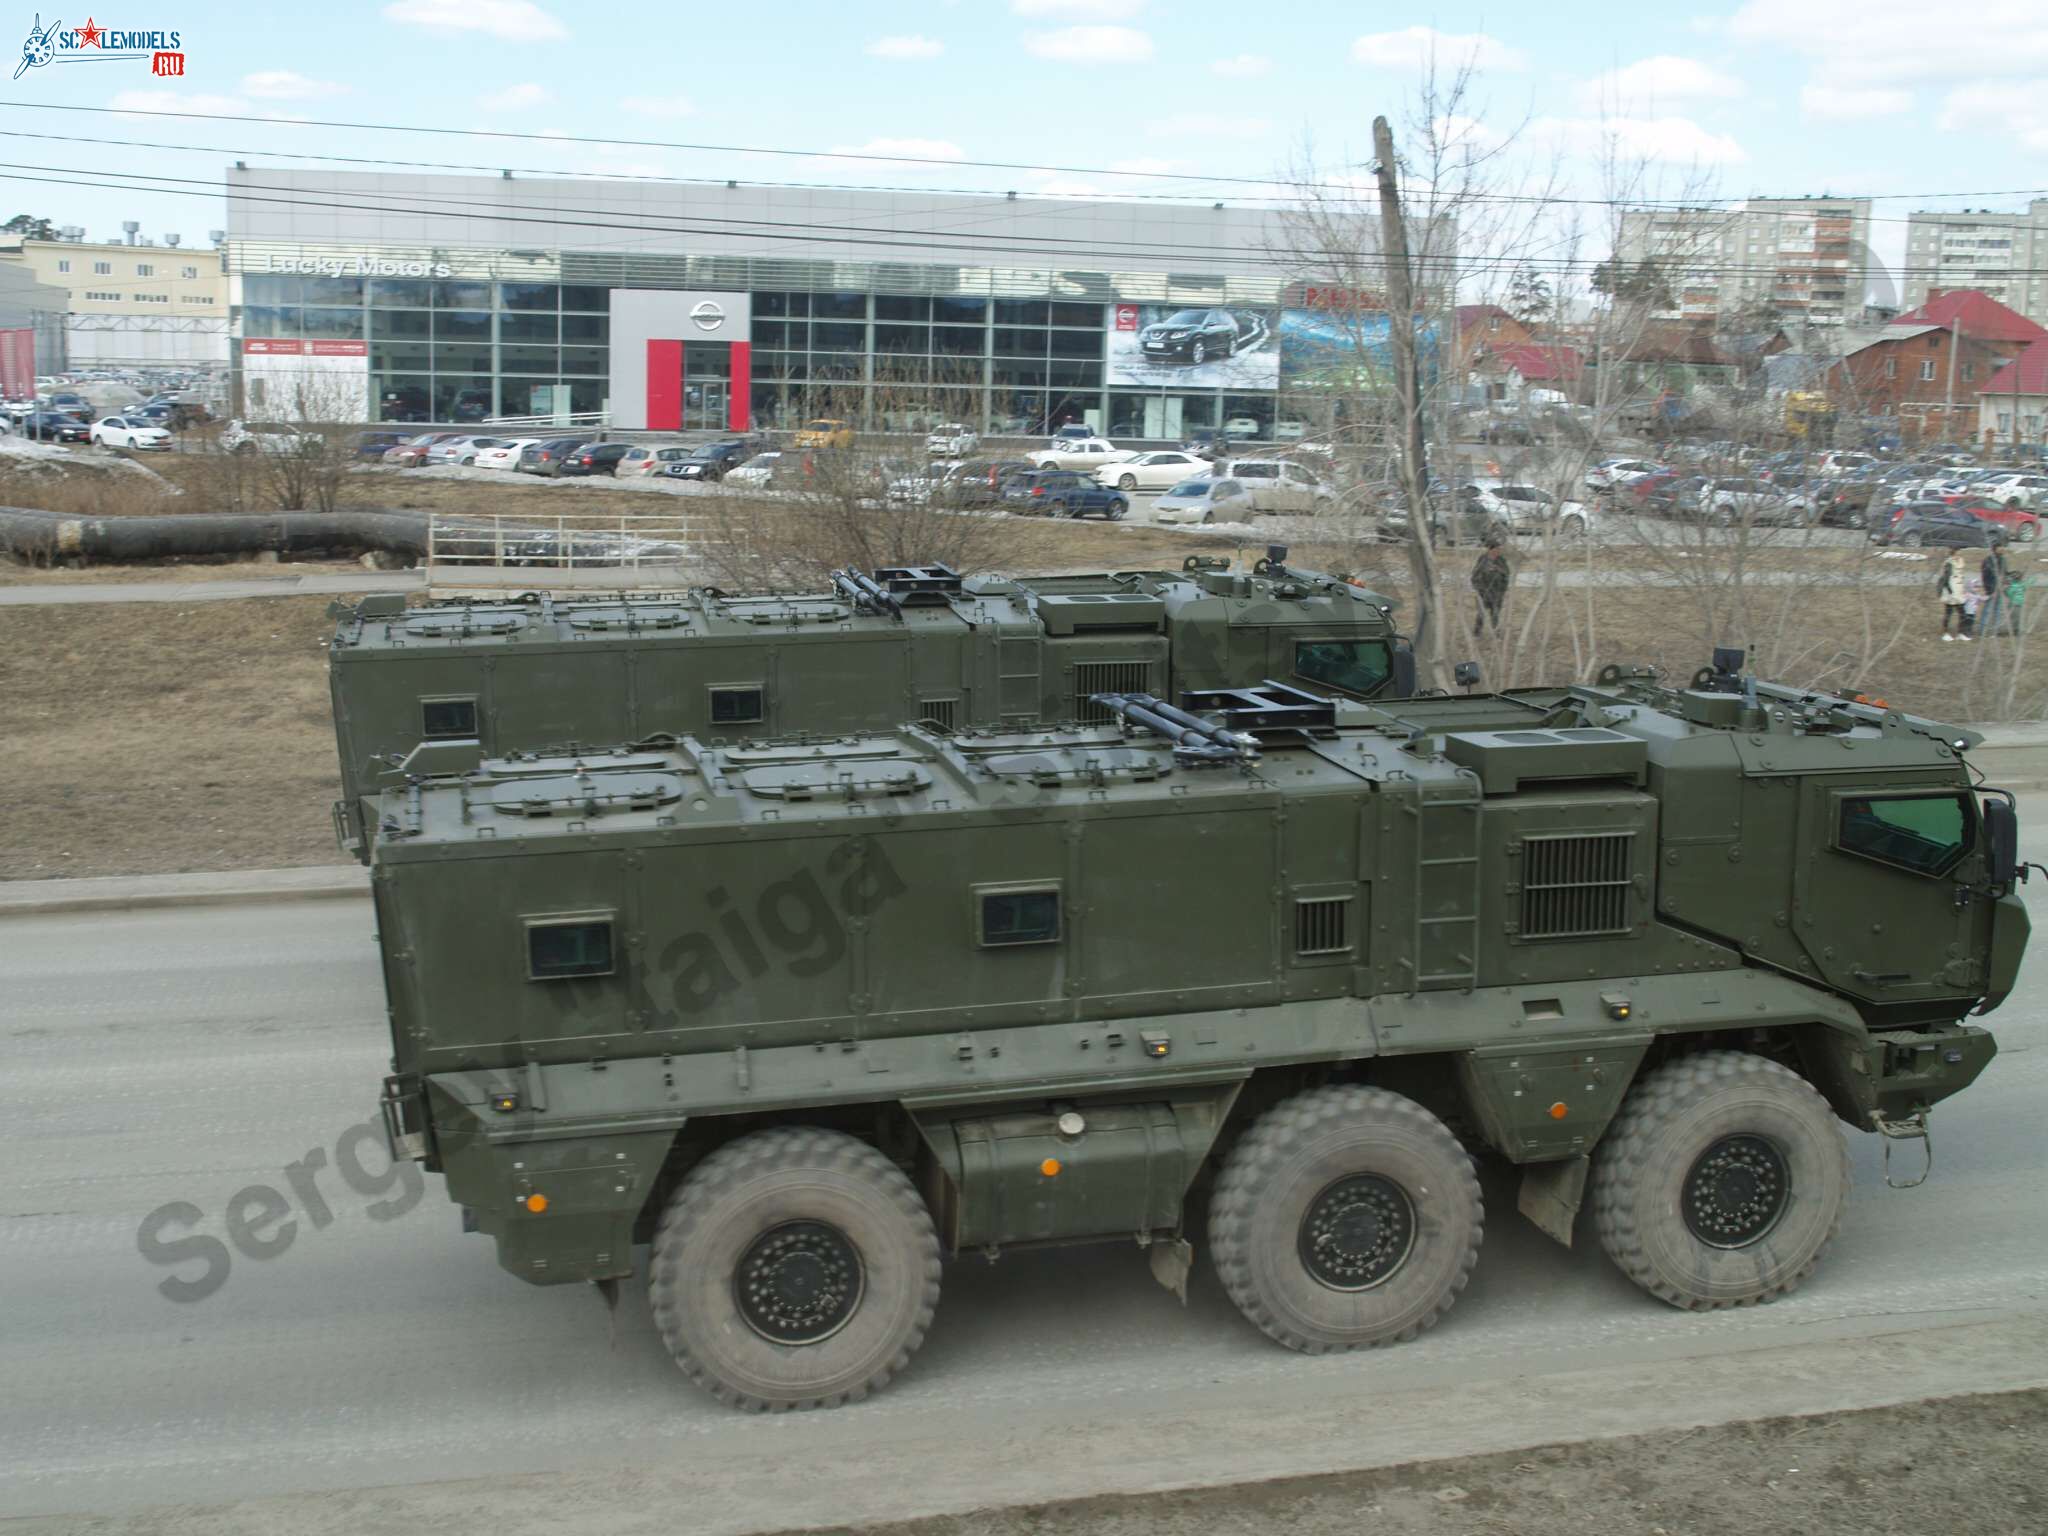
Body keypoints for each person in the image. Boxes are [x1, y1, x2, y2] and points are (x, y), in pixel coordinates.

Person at [1471, 535, 1510, 634]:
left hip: (1497, 593)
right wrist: (1478, 589)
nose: (1498, 551)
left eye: (1499, 549)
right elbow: (1474, 576)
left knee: (1495, 614)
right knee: (1481, 614)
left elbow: (1507, 573)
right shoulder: (1482, 560)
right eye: (1496, 549)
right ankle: (1477, 633)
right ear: (1490, 549)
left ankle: (1496, 634)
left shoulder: (1501, 560)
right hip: (1484, 592)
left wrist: (1498, 571)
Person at [1980, 541, 2013, 636]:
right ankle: (1983, 631)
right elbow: (1985, 577)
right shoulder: (1988, 561)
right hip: (1991, 590)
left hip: (2000, 589)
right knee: (1987, 609)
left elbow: (2005, 573)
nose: (2002, 549)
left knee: (1997, 610)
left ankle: (1995, 631)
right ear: (1994, 549)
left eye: (2003, 547)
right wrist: (1989, 590)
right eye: (2000, 547)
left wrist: (2008, 581)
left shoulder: (2003, 560)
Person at [1938, 549, 1970, 641]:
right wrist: (1950, 592)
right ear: (1952, 554)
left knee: (1962, 613)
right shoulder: (1948, 564)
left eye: (1959, 554)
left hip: (1959, 591)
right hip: (1950, 592)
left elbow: (1961, 577)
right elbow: (1945, 580)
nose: (1959, 555)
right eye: (1957, 554)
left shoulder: (1960, 562)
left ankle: (1961, 633)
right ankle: (1945, 633)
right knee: (1948, 613)